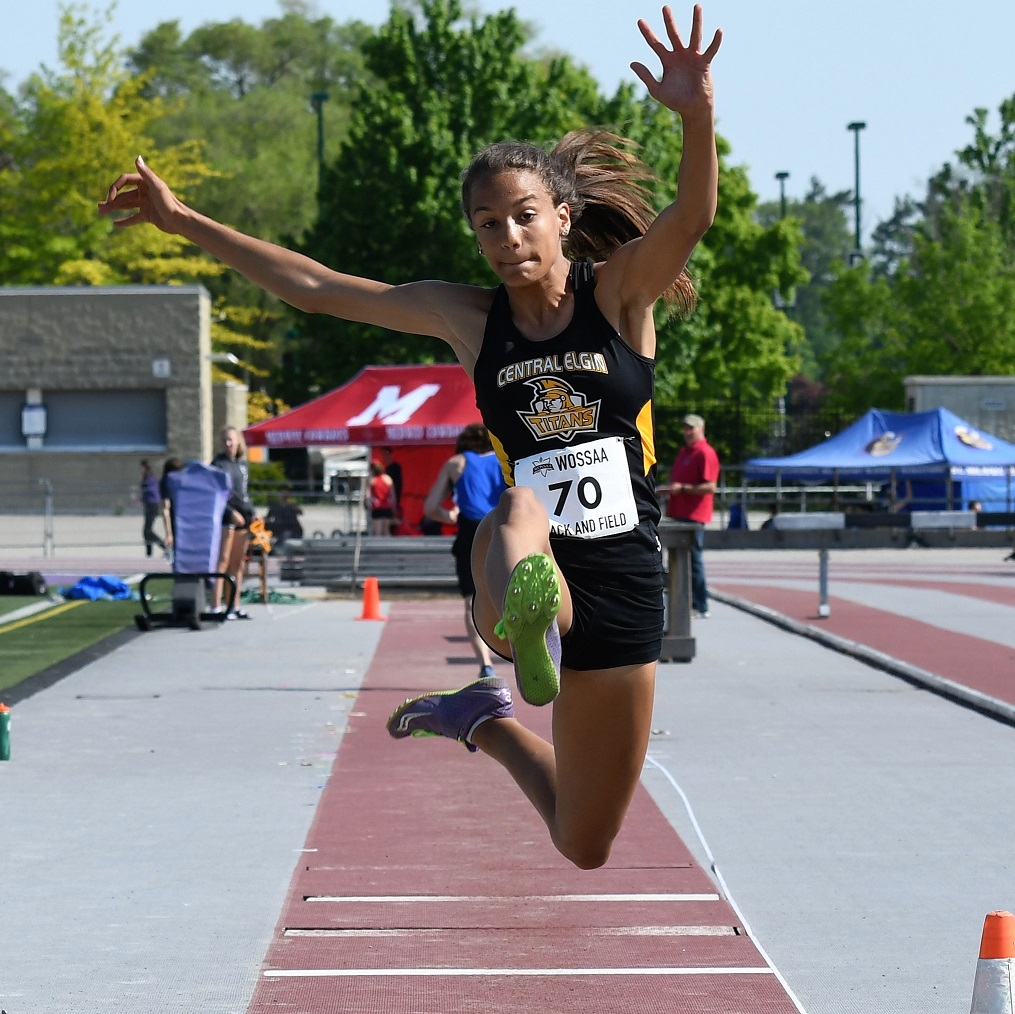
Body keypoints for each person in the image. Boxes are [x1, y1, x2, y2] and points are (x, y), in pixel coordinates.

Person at [98, 4, 721, 870]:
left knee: (584, 842)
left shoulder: (617, 296)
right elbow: (316, 286)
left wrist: (696, 115)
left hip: (619, 575)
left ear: (563, 217)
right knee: (514, 502)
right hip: (517, 565)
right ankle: (521, 619)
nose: (505, 239)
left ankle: (485, 723)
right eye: (485, 225)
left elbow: (688, 218)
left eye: (522, 217)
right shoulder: (467, 318)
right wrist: (185, 222)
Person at [424, 423, 508, 680]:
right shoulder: (505, 459)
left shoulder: (456, 463)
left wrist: (448, 516)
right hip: (503, 526)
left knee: (472, 600)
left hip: (471, 533)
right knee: (511, 595)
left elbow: (430, 508)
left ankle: (485, 664)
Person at [663, 413, 719, 618]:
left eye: (691, 429)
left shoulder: (705, 453)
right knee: (679, 561)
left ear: (701, 430)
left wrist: (682, 489)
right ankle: (684, 603)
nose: (687, 432)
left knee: (693, 560)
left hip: (694, 515)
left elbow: (710, 487)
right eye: (685, 428)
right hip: (679, 513)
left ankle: (700, 604)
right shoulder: (684, 452)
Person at [210, 425, 255, 618]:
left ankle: (234, 605)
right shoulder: (218, 465)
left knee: (238, 564)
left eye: (232, 439)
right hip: (226, 517)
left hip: (243, 517)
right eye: (226, 440)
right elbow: (216, 494)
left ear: (238, 441)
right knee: (223, 561)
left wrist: (253, 513)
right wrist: (231, 512)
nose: (229, 444)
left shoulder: (242, 465)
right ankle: (215, 605)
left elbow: (244, 493)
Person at [159, 456, 184, 562]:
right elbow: (166, 509)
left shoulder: (172, 482)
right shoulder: (167, 483)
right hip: (179, 522)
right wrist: (169, 534)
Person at [139, 459, 166, 557]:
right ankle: (149, 552)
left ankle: (165, 546)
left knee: (148, 530)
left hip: (152, 506)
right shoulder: (146, 478)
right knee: (146, 531)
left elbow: (152, 491)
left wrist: (144, 489)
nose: (140, 470)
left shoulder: (150, 478)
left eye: (141, 468)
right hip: (148, 505)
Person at [367, 461, 396, 536]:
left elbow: (367, 496)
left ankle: (377, 547)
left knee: (378, 532)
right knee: (387, 531)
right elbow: (393, 497)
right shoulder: (388, 479)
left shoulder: (372, 480)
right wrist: (394, 509)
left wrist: (367, 506)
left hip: (377, 508)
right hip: (387, 508)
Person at [380, 447, 404, 534]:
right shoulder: (386, 470)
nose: (384, 457)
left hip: (392, 500)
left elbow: (395, 488)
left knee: (387, 526)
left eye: (385, 454)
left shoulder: (395, 468)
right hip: (386, 501)